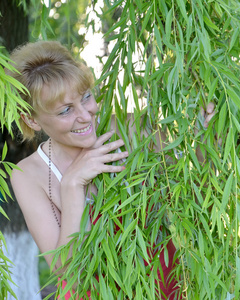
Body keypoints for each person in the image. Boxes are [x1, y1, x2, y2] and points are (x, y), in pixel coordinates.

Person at [8, 40, 215, 299]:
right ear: (31, 119)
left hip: (161, 285)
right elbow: (65, 272)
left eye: (86, 97)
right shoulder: (30, 174)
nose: (86, 115)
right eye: (66, 111)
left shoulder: (129, 130)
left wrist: (207, 137)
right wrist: (72, 185)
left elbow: (194, 191)